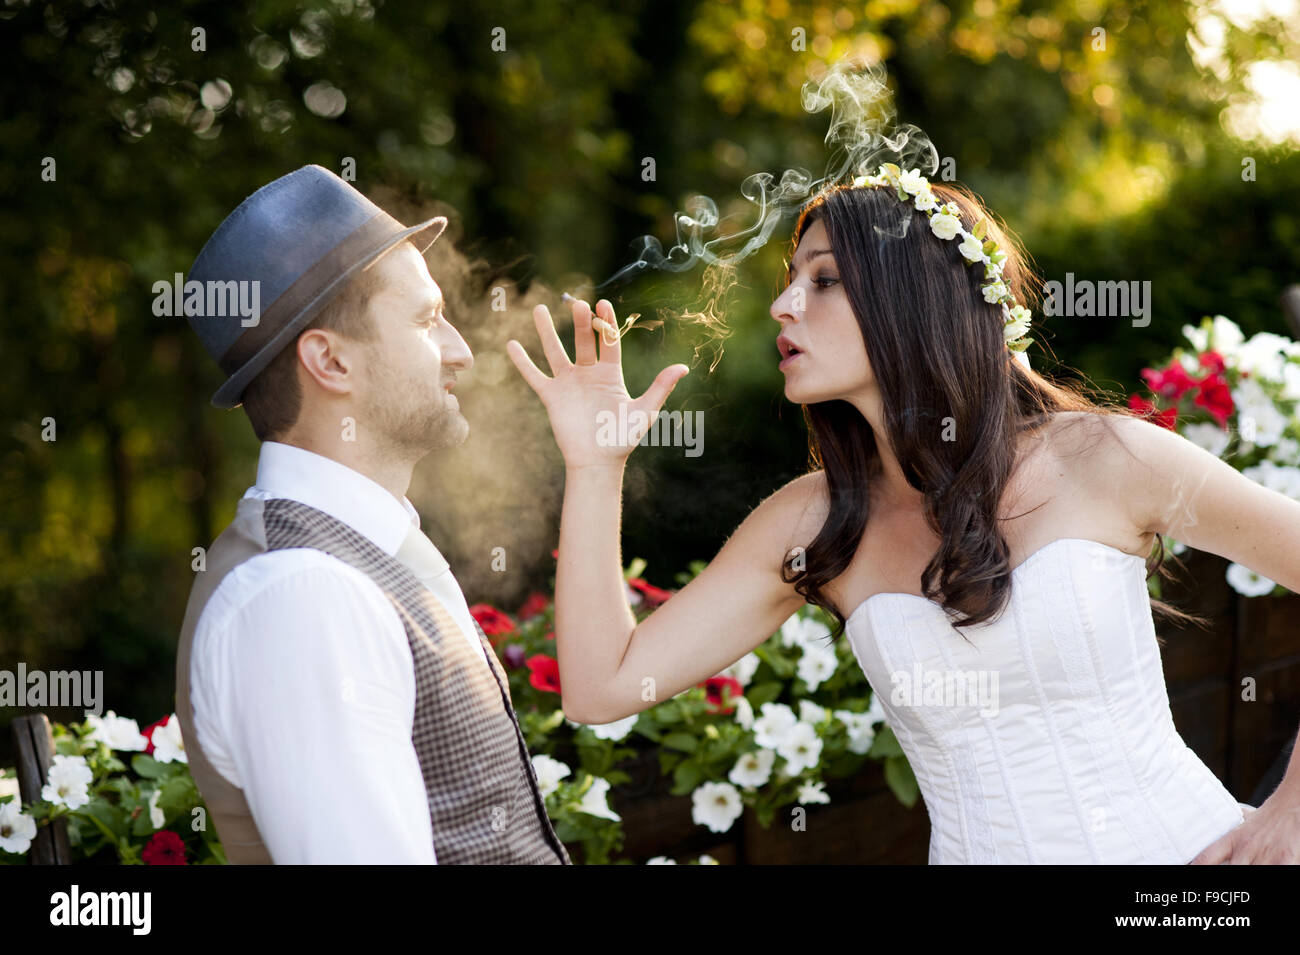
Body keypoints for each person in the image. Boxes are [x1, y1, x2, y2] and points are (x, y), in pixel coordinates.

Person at [506, 164, 1300, 864]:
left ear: (911, 295)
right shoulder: (810, 524)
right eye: (791, 278)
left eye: (822, 280)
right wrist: (595, 463)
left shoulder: (1108, 457)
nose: (783, 305)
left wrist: (1292, 812)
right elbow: (601, 687)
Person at [175, 164, 569, 864]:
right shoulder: (302, 596)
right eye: (426, 320)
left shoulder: (367, 554)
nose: (458, 350)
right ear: (329, 360)